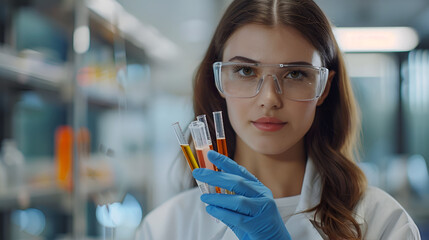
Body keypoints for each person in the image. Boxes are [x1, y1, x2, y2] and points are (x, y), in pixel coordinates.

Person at [136, 0, 421, 239]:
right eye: (246, 72)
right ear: (218, 80)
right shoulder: (166, 228)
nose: (270, 98)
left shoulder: (383, 222)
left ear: (324, 88)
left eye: (296, 74)